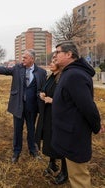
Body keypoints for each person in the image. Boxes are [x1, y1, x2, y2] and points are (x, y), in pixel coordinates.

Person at [0, 49, 47, 162]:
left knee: (31, 129)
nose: (22, 59)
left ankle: (33, 151)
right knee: (17, 130)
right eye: (22, 57)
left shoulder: (41, 72)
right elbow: (4, 70)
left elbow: (44, 88)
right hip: (18, 106)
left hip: (32, 107)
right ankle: (16, 151)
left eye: (25, 57)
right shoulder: (17, 68)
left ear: (32, 59)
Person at [52, 41, 101, 188]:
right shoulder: (68, 72)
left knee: (79, 177)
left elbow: (87, 106)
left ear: (69, 54)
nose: (54, 56)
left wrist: (96, 126)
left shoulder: (74, 75)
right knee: (75, 174)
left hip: (74, 136)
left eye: (57, 52)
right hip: (68, 133)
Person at [35, 52, 68, 185]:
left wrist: (53, 100)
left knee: (62, 143)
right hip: (47, 115)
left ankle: (65, 172)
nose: (50, 64)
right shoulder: (50, 77)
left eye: (53, 62)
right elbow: (42, 90)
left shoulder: (63, 79)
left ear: (59, 66)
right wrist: (41, 95)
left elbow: (67, 100)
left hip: (59, 117)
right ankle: (52, 164)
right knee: (50, 141)